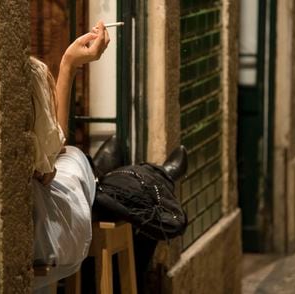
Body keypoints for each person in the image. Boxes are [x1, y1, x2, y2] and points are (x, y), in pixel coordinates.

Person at [32, 21, 187, 293]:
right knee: (71, 156)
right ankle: (138, 176)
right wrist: (68, 64)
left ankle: (101, 177)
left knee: (70, 160)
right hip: (48, 241)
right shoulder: (28, 75)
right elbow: (50, 157)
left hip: (41, 231)